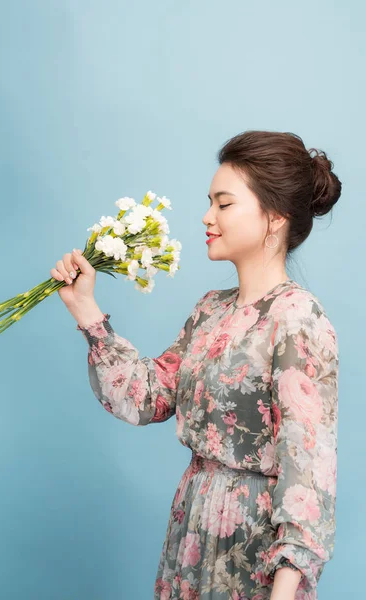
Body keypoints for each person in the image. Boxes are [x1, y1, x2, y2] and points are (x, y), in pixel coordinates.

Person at [50, 130, 341, 600]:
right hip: (193, 529)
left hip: (252, 549)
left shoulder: (298, 319)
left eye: (224, 204)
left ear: (274, 217)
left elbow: (310, 472)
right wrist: (86, 309)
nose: (207, 217)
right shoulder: (210, 310)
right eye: (209, 202)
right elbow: (144, 398)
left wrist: (285, 591)